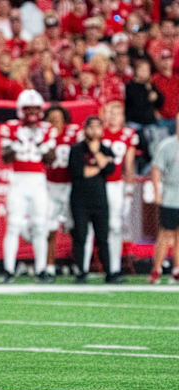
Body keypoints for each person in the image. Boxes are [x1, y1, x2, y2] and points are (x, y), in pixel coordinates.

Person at [0, 90, 55, 282]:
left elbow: (51, 159)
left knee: (40, 225)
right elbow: (5, 157)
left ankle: (41, 269)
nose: (32, 112)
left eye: (35, 109)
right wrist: (17, 143)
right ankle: (8, 269)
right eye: (28, 109)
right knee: (13, 225)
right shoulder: (11, 127)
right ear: (21, 110)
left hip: (38, 181)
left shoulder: (47, 128)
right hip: (18, 180)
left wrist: (40, 144)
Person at [81, 101, 137, 278]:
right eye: (110, 112)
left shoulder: (128, 134)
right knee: (89, 226)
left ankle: (114, 267)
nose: (113, 116)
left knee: (115, 226)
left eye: (117, 113)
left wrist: (128, 190)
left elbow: (129, 166)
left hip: (115, 185)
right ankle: (82, 269)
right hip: (96, 184)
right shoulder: (97, 133)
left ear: (122, 116)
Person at [69, 116, 117, 283]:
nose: (95, 131)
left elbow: (110, 169)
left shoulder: (105, 149)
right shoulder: (77, 149)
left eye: (98, 127)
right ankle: (81, 271)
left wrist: (96, 153)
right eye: (92, 127)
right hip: (80, 200)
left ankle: (110, 272)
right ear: (85, 129)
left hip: (100, 200)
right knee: (81, 236)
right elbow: (79, 172)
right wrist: (99, 165)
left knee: (103, 238)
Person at [44, 105, 81, 283]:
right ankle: (49, 266)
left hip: (71, 185)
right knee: (49, 228)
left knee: (75, 227)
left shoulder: (73, 133)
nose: (55, 121)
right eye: (51, 118)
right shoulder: (43, 134)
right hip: (50, 185)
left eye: (58, 117)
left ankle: (78, 264)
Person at [148, 130, 179, 283]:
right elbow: (156, 169)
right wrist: (157, 192)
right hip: (171, 195)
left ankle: (177, 269)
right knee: (166, 233)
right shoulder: (167, 145)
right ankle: (157, 268)